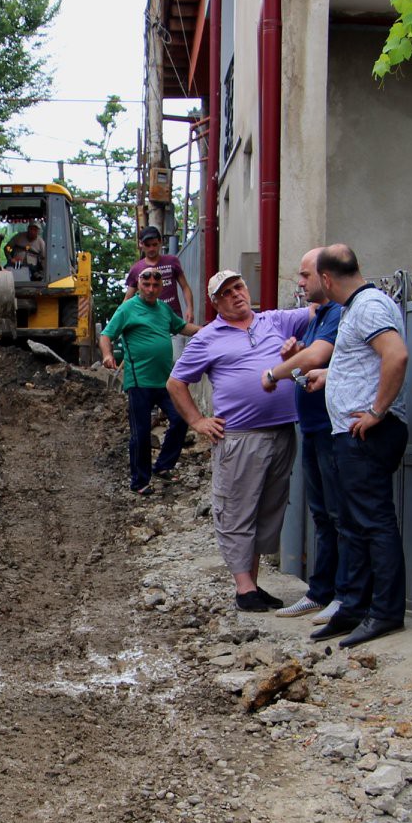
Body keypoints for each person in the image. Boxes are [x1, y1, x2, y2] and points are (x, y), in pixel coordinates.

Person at [167, 270, 313, 611]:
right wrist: (198, 421)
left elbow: (319, 311)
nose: (236, 295)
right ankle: (243, 588)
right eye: (227, 293)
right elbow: (176, 382)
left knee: (268, 508)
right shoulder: (208, 337)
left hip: (281, 432)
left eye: (239, 287)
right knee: (236, 509)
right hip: (240, 437)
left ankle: (253, 584)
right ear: (216, 303)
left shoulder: (275, 321)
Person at [299, 244, 410, 648]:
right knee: (356, 526)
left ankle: (384, 613)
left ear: (327, 279)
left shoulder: (368, 306)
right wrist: (331, 375)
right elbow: (365, 360)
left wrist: (376, 411)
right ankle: (354, 608)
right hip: (349, 435)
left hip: (367, 434)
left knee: (374, 523)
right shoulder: (357, 308)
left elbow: (395, 356)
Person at [261, 248, 352, 623]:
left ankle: (345, 597)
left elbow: (318, 359)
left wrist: (275, 372)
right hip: (314, 427)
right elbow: (311, 363)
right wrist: (297, 353)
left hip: (334, 429)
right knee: (322, 514)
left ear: (325, 276)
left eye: (304, 275)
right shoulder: (318, 316)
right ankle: (320, 592)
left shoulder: (338, 314)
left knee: (340, 515)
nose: (298, 283)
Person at [101, 267, 202, 494]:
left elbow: (182, 327)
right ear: (139, 284)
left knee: (180, 419)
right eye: (146, 285)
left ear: (161, 287)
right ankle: (140, 481)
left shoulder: (164, 309)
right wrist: (107, 355)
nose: (150, 289)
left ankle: (164, 465)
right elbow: (106, 334)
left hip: (165, 381)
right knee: (141, 432)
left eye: (155, 286)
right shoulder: (127, 309)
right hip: (140, 382)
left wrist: (208, 331)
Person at [125, 226, 196, 322]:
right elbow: (128, 298)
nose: (151, 249)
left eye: (154, 245)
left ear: (160, 242)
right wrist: (121, 321)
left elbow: (185, 287)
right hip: (149, 322)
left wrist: (190, 309)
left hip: (173, 319)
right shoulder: (137, 269)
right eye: (148, 245)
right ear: (141, 244)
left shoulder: (172, 261)